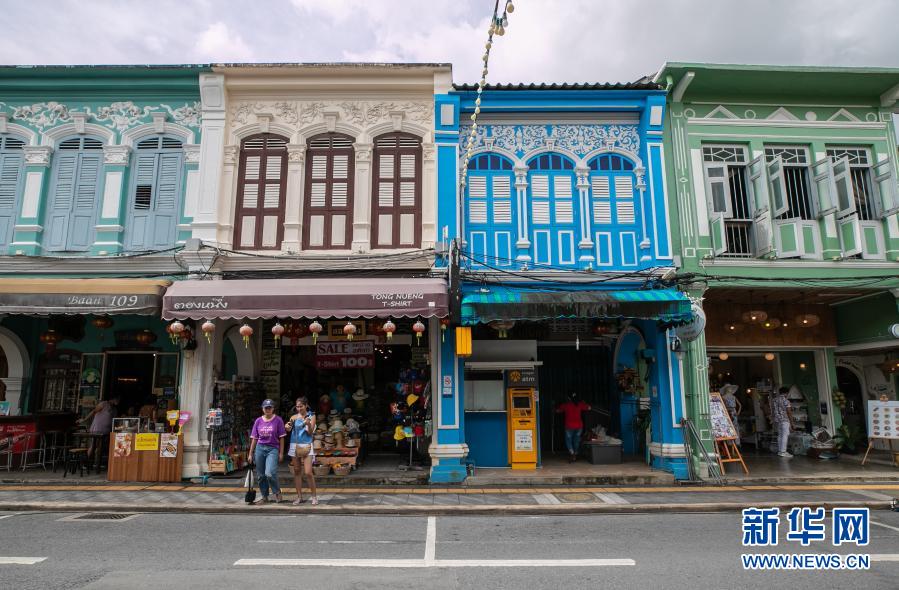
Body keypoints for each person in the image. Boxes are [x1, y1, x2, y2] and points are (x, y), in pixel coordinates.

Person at [248, 399, 287, 503]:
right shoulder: (258, 421)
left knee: (270, 473)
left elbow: (282, 437)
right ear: (262, 409)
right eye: (266, 408)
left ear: (273, 408)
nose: (268, 409)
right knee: (261, 476)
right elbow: (255, 438)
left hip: (273, 449)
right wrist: (250, 454)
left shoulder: (278, 420)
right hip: (260, 448)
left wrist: (281, 453)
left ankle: (277, 492)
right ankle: (264, 496)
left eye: (270, 407)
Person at [285, 396, 318, 506]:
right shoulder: (293, 417)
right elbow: (289, 428)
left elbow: (310, 433)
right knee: (297, 471)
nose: (299, 408)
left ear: (306, 405)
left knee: (308, 472)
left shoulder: (311, 416)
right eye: (297, 406)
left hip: (307, 444)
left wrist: (308, 423)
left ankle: (314, 496)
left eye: (301, 406)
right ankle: (299, 497)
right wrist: (287, 427)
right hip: (294, 444)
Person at [556, 392, 591, 462]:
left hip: (569, 426)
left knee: (568, 440)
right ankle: (576, 453)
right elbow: (589, 408)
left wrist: (555, 406)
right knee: (577, 441)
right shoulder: (580, 404)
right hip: (579, 426)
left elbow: (557, 411)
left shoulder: (566, 405)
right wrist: (584, 403)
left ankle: (572, 453)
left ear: (568, 398)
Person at [771, 387, 793, 458]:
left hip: (778, 420)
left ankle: (780, 451)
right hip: (785, 420)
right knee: (785, 435)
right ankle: (783, 452)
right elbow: (789, 412)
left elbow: (773, 410)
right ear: (786, 393)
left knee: (780, 435)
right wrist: (792, 423)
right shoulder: (786, 401)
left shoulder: (775, 400)